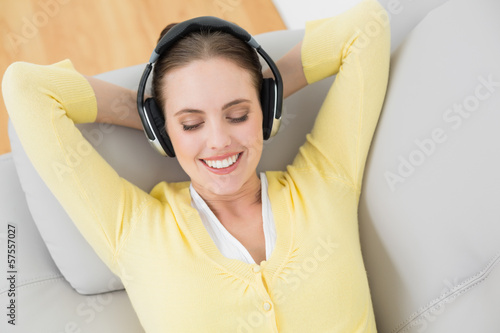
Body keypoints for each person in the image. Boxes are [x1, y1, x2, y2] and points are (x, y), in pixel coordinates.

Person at [3, 0, 390, 331]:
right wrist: (155, 119)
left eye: (238, 115)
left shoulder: (325, 181)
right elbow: (27, 88)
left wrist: (264, 91)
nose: (219, 141)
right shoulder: (133, 230)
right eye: (191, 123)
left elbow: (365, 27)